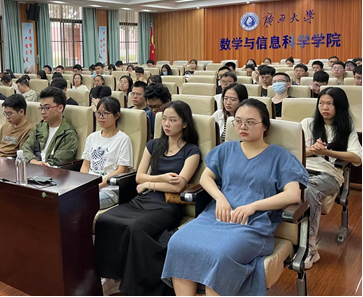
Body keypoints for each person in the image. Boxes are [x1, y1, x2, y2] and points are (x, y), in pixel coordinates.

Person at [162, 99, 308, 296]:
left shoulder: (279, 156)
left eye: (250, 122)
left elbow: (293, 194)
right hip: (216, 217)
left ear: (265, 125)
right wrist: (220, 198)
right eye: (238, 121)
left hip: (253, 224)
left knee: (219, 254)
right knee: (178, 243)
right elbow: (206, 178)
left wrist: (253, 206)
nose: (242, 127)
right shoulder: (226, 150)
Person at [96, 101, 201, 296]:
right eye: (165, 119)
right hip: (143, 200)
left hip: (167, 205)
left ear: (185, 123)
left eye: (173, 120)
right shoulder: (153, 145)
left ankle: (133, 285)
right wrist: (161, 178)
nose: (166, 124)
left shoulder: (191, 151)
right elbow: (139, 177)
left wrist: (149, 184)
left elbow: (178, 186)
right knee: (105, 219)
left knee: (135, 227)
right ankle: (111, 276)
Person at [301, 88, 362, 269]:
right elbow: (294, 151)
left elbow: (357, 158)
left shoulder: (346, 129)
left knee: (308, 190)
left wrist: (327, 152)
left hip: (329, 175)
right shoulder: (307, 123)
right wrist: (311, 150)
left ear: (339, 106)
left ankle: (310, 246)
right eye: (321, 103)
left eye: (330, 104)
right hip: (302, 169)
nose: (324, 107)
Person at [81, 97, 133, 210]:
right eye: (98, 113)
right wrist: (85, 185)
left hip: (109, 190)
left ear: (117, 115)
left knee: (82, 204)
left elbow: (121, 170)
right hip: (89, 187)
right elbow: (85, 165)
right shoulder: (92, 137)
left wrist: (98, 185)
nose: (100, 117)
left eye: (105, 114)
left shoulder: (123, 139)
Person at [22, 87, 78, 167]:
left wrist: (39, 165)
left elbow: (58, 161)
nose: (42, 112)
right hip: (33, 167)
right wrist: (32, 161)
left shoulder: (68, 134)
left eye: (47, 108)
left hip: (51, 172)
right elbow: (26, 147)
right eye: (41, 108)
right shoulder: (40, 126)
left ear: (60, 108)